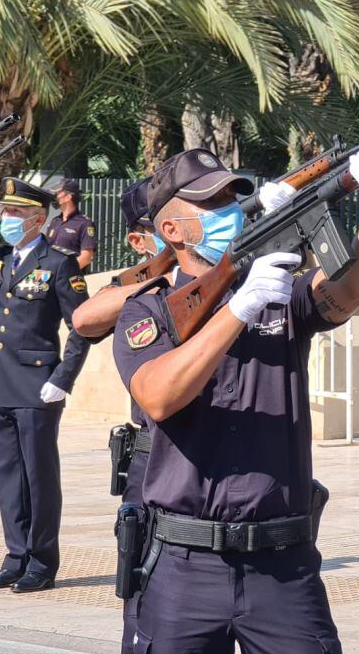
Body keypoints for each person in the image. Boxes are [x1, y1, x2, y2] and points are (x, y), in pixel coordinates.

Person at [113, 145, 359, 653]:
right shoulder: (150, 312)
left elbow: (355, 287)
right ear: (172, 231)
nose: (229, 211)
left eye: (232, 197)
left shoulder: (280, 294)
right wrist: (238, 309)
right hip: (183, 565)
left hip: (282, 565)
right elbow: (158, 396)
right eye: (210, 203)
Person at [72, 171, 294, 654]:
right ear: (152, 233)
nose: (225, 216)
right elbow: (85, 318)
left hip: (226, 472)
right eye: (207, 206)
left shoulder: (236, 276)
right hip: (157, 460)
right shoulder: (150, 290)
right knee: (150, 598)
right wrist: (167, 273)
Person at [0, 178, 90, 594]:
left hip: (35, 384)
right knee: (7, 475)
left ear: (38, 219)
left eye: (14, 213)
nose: (7, 220)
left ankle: (42, 562)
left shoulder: (59, 263)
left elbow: (80, 328)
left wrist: (63, 378)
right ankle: (16, 556)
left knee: (38, 477)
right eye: (4, 212)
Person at [45, 179, 96, 271]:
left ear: (68, 197)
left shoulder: (84, 224)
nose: (55, 197)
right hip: (50, 277)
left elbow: (86, 257)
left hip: (71, 280)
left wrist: (65, 272)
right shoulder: (54, 222)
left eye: (58, 194)